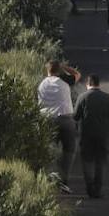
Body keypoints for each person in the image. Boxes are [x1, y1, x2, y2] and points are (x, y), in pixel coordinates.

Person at [74, 74, 109, 199]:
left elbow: (76, 116)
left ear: (87, 84)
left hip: (86, 135)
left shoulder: (82, 97)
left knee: (87, 161)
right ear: (99, 84)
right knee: (101, 162)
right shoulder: (108, 98)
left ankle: (90, 187)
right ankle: (98, 189)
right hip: (103, 135)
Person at [37, 60, 81, 193]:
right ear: (59, 70)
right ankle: (63, 179)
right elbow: (77, 74)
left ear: (47, 70)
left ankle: (50, 177)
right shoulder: (65, 81)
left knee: (49, 150)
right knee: (69, 149)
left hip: (47, 119)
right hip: (65, 118)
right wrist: (65, 67)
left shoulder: (42, 84)